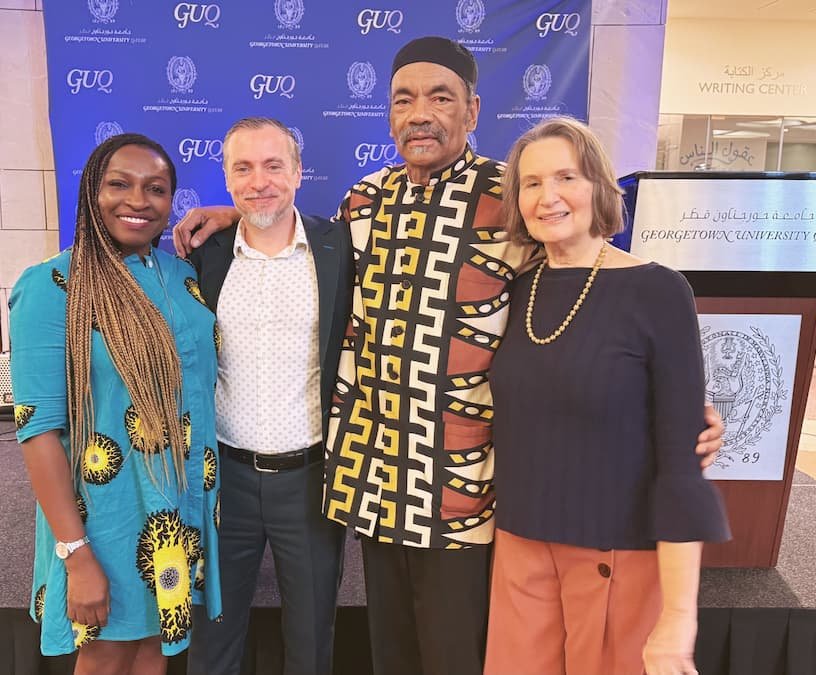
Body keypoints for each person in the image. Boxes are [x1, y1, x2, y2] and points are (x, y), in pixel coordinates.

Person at [172, 36, 724, 675]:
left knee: (456, 656)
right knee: (393, 658)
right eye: (404, 100)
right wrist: (233, 211)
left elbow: (583, 279)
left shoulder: (512, 195)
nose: (420, 113)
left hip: (466, 492)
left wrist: (669, 396)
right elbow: (301, 239)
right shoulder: (364, 201)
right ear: (389, 117)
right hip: (376, 482)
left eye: (441, 97)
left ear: (473, 112)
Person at [484, 116, 731, 675]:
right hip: (520, 550)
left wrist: (679, 617)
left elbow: (681, 464)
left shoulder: (657, 290)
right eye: (531, 183)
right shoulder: (518, 285)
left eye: (566, 177)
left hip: (616, 557)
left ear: (598, 185)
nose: (548, 197)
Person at [9, 133, 221, 674]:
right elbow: (37, 429)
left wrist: (236, 215)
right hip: (103, 518)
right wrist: (75, 553)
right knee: (106, 655)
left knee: (155, 652)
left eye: (156, 188)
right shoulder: (53, 285)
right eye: (118, 184)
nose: (137, 200)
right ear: (90, 192)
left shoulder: (182, 277)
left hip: (175, 510)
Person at [186, 117, 351, 675]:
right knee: (213, 635)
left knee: (310, 638)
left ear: (299, 173)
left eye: (274, 165)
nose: (260, 181)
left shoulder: (341, 250)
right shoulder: (201, 257)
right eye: (244, 168)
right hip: (222, 480)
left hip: (310, 480)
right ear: (227, 179)